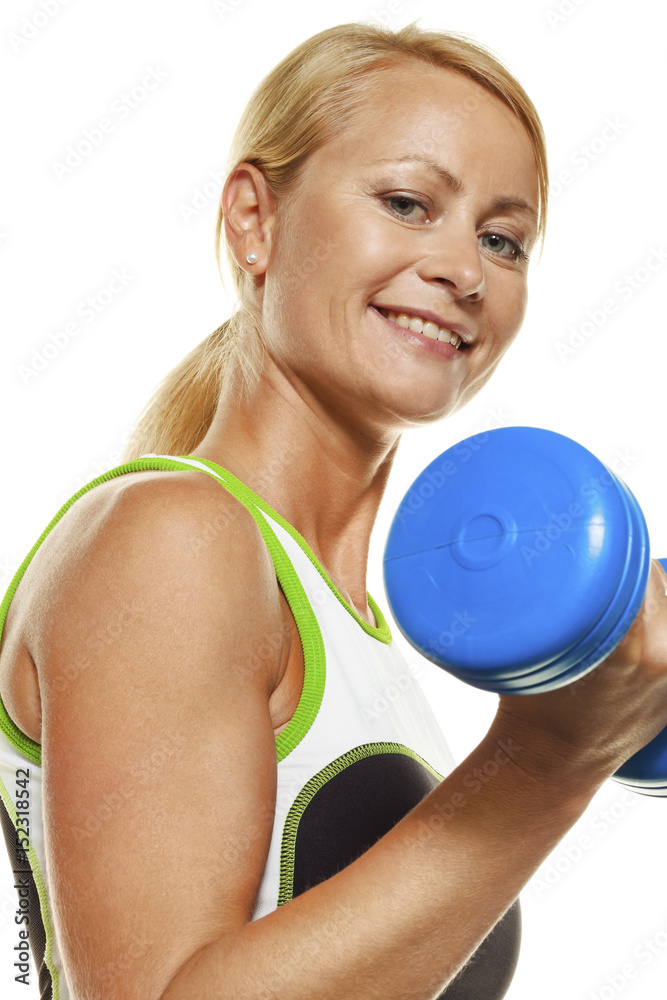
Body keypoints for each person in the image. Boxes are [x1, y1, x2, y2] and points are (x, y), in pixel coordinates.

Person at [1, 19, 667, 1000]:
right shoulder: (172, 537)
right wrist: (545, 761)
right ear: (253, 221)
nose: (465, 272)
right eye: (407, 202)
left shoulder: (349, 627)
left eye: (501, 238)